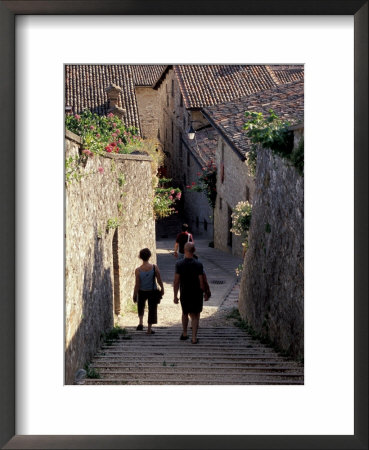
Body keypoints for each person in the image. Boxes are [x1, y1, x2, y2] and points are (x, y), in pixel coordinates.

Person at [173, 242, 208, 344]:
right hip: (196, 293)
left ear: (184, 250)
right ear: (194, 251)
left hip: (184, 292)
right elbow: (201, 281)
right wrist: (204, 292)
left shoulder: (179, 264)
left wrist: (175, 296)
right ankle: (194, 338)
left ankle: (184, 333)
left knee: (185, 313)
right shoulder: (198, 264)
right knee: (195, 315)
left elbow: (176, 281)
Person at [133, 248, 164, 335]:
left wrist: (135, 294)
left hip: (142, 291)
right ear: (149, 256)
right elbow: (159, 280)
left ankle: (140, 323)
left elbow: (137, 284)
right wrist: (162, 288)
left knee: (140, 306)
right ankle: (149, 329)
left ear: (140, 257)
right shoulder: (154, 267)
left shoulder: (138, 270)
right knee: (152, 309)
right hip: (152, 291)